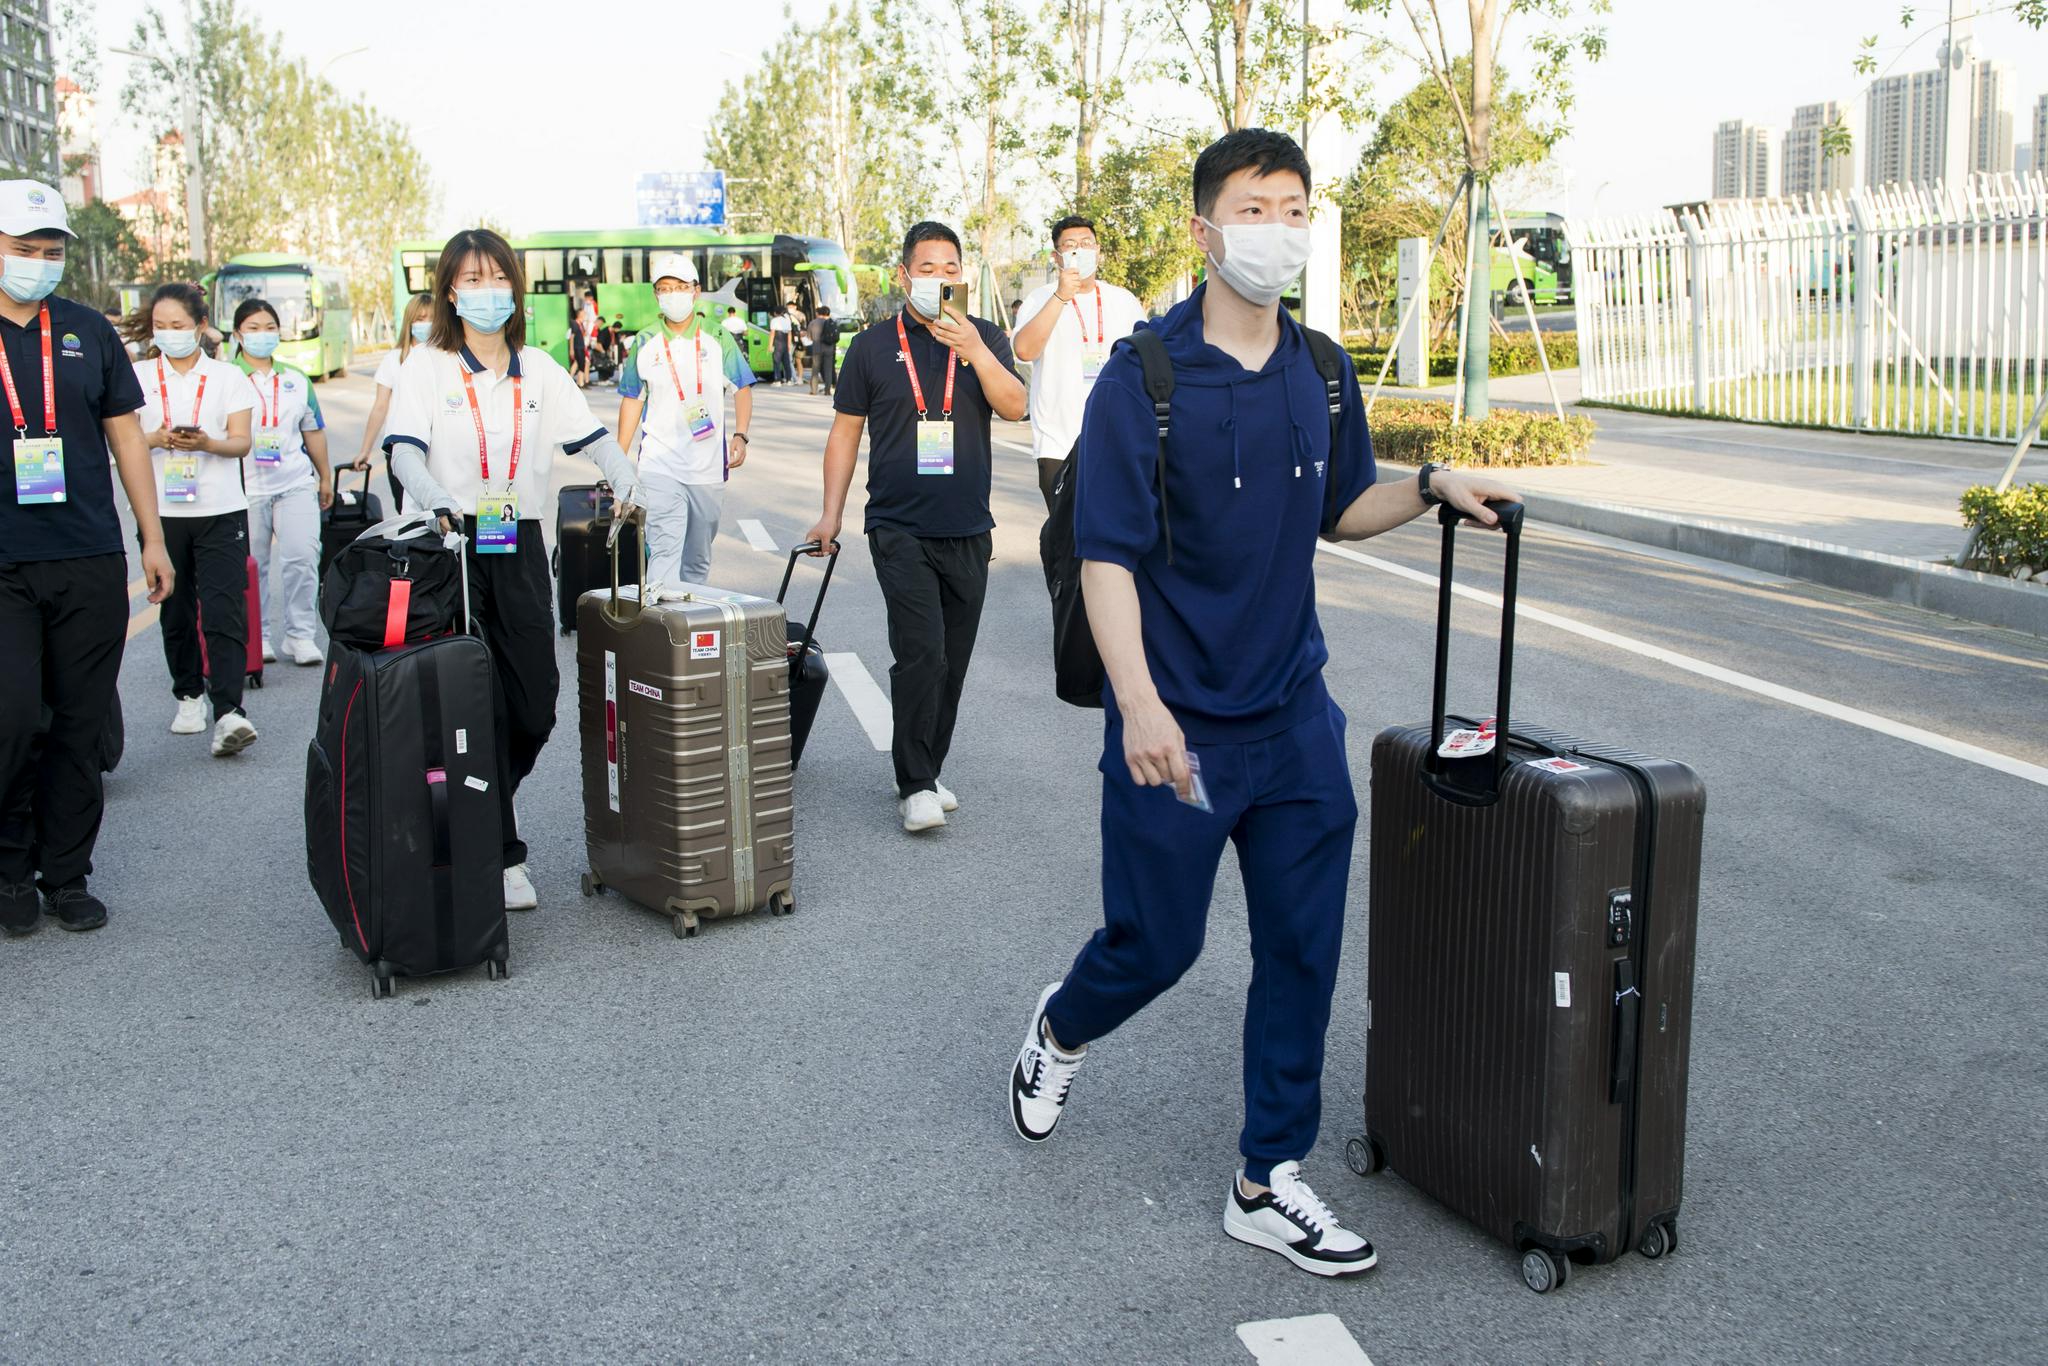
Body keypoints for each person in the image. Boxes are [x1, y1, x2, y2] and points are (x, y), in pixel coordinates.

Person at [1005, 129, 1518, 1277]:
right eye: (1253, 206)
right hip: (1175, 725)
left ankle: (1265, 1175)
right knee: (1156, 946)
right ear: (1202, 228)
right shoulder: (1143, 375)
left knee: (1301, 951)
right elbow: (1106, 559)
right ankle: (1060, 1026)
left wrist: (1430, 487)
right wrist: (1137, 704)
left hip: (1292, 720)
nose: (1276, 227)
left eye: (1293, 207)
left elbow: (1342, 508)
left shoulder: (1321, 369)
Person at [384, 228, 641, 913]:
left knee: (532, 702)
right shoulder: (427, 367)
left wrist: (625, 474)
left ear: (515, 289)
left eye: (497, 278)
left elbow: (590, 438)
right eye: (470, 279)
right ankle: (501, 851)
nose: (486, 291)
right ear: (447, 291)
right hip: (449, 544)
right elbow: (404, 451)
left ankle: (487, 801)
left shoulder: (539, 369)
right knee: (471, 700)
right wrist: (434, 496)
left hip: (517, 539)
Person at [803, 221, 1025, 834]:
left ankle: (928, 764)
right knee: (920, 653)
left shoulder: (987, 338)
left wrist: (975, 351)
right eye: (927, 269)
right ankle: (915, 783)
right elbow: (845, 432)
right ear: (905, 276)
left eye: (950, 268)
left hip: (969, 527)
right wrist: (831, 512)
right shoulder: (872, 348)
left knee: (951, 661)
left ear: (963, 274)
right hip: (898, 526)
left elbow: (1014, 406)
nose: (939, 279)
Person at [0, 180, 174, 937]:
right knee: (10, 721)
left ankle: (65, 874)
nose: (39, 263)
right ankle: (10, 865)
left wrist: (152, 534)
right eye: (23, 249)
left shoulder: (83, 332)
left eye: (50, 251)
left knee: (78, 723)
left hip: (87, 555)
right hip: (4, 564)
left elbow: (126, 435)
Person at [129, 282, 258, 758]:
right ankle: (188, 695)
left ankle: (229, 710)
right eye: (160, 326)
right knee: (175, 607)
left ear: (200, 327)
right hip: (161, 511)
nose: (168, 334)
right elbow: (123, 442)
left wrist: (206, 444)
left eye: (178, 326)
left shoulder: (228, 377)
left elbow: (241, 442)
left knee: (224, 608)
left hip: (221, 507)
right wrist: (158, 437)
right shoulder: (137, 375)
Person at [616, 253, 755, 587]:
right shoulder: (645, 341)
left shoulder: (717, 337)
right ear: (656, 295)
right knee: (665, 549)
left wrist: (741, 435)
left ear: (695, 290)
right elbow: (632, 400)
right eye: (664, 288)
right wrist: (618, 459)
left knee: (697, 559)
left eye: (679, 287)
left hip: (707, 467)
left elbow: (742, 387)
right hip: (659, 464)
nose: (672, 294)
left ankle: (688, 626)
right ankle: (664, 629)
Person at [1011, 215, 1147, 510]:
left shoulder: (1123, 300)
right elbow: (1024, 350)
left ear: (1099, 251)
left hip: (1117, 440)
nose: (1080, 251)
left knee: (1112, 541)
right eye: (1071, 246)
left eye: (1087, 244)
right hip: (1058, 444)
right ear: (1056, 257)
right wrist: (1061, 295)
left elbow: (1146, 362)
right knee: (1067, 547)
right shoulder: (1040, 298)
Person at [232, 298, 331, 667]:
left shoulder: (295, 379)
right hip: (246, 489)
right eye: (253, 329)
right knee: (253, 566)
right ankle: (258, 638)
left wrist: (325, 476)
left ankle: (300, 635)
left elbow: (313, 430)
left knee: (303, 557)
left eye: (269, 327)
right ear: (238, 334)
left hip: (294, 483)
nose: (262, 335)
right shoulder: (227, 377)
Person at [354, 291, 434, 510]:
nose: (426, 324)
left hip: (438, 450)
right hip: (402, 448)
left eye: (432, 319)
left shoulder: (447, 357)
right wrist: (365, 449)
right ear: (409, 322)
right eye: (420, 319)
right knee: (407, 514)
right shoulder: (393, 359)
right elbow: (380, 407)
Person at [806, 305, 838, 395]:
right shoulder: (831, 322)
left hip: (817, 349)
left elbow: (809, 337)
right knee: (828, 370)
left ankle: (814, 390)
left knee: (815, 369)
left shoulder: (813, 323)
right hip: (829, 349)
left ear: (818, 313)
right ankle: (827, 390)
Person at [768, 303, 794, 385]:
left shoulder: (774, 320)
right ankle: (789, 380)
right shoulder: (787, 320)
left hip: (777, 342)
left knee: (777, 362)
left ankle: (777, 380)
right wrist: (789, 345)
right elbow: (790, 334)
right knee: (786, 362)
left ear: (775, 313)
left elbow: (772, 334)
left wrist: (770, 345)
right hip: (785, 342)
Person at [788, 302, 809, 387]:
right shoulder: (787, 315)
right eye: (788, 307)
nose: (790, 308)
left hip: (798, 341)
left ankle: (798, 378)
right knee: (791, 360)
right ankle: (795, 377)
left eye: (791, 307)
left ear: (795, 307)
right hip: (793, 341)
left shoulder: (800, 315)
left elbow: (804, 328)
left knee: (798, 359)